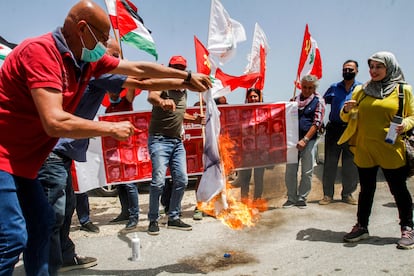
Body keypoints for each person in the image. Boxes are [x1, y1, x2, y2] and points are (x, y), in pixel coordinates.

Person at [0, 1, 211, 274]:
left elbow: (139, 72)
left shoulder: (86, 62)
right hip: (4, 157)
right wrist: (110, 129)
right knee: (12, 237)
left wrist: (186, 77)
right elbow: (54, 121)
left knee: (41, 223)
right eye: (101, 37)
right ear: (82, 29)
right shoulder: (41, 52)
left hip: (24, 164)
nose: (103, 44)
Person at [341, 51, 414, 249]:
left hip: (390, 148)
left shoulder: (403, 90)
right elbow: (348, 117)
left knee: (398, 189)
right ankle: (362, 227)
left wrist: (404, 125)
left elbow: (412, 117)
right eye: (371, 67)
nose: (374, 71)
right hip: (365, 148)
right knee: (366, 190)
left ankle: (408, 228)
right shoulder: (362, 90)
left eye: (379, 67)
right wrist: (346, 110)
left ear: (389, 67)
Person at [147, 55, 205, 235]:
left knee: (182, 180)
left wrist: (193, 118)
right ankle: (153, 220)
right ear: (170, 68)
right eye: (176, 67)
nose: (179, 71)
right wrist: (162, 102)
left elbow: (180, 112)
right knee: (158, 182)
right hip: (159, 139)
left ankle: (173, 217)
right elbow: (151, 97)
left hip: (177, 142)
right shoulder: (161, 83)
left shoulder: (184, 90)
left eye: (182, 68)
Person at [319, 60, 361, 205]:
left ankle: (347, 194)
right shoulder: (334, 87)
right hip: (334, 130)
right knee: (330, 163)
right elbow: (321, 103)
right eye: (345, 69)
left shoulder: (361, 89)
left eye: (350, 69)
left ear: (357, 71)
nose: (347, 72)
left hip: (352, 131)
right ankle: (327, 195)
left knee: (350, 164)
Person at [283, 75, 325, 209]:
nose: (307, 90)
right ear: (301, 86)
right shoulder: (294, 101)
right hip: (293, 141)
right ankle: (291, 197)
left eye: (310, 88)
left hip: (309, 140)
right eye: (305, 87)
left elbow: (316, 123)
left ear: (314, 88)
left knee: (307, 171)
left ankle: (302, 197)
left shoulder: (318, 101)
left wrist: (305, 139)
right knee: (290, 170)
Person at [105, 90, 140, 230]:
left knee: (130, 184)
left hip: (128, 150)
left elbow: (131, 90)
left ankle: (134, 216)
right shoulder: (108, 109)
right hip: (114, 151)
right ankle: (125, 212)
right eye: (109, 91)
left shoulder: (126, 102)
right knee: (120, 183)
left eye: (114, 90)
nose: (112, 93)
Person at [237, 88, 267, 202]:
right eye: (251, 96)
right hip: (246, 151)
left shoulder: (265, 111)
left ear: (259, 97)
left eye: (255, 96)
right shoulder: (242, 112)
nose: (253, 98)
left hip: (260, 150)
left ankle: (257, 200)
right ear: (247, 98)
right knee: (245, 177)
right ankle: (244, 201)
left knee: (259, 177)